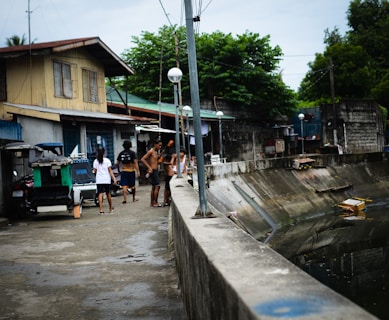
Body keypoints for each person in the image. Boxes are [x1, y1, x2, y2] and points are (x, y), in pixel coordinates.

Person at [93, 147, 117, 215]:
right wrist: (114, 178)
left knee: (100, 194)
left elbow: (94, 171)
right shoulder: (107, 160)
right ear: (104, 153)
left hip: (99, 180)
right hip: (106, 179)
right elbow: (110, 170)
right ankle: (110, 208)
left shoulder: (95, 161)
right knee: (108, 193)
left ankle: (101, 210)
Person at [141, 139, 163, 207]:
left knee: (154, 187)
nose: (160, 147)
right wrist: (149, 167)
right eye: (159, 145)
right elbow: (143, 159)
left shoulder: (155, 152)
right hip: (153, 170)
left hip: (155, 170)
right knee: (157, 186)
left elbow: (155, 161)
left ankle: (152, 203)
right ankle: (155, 202)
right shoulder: (151, 151)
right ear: (155, 144)